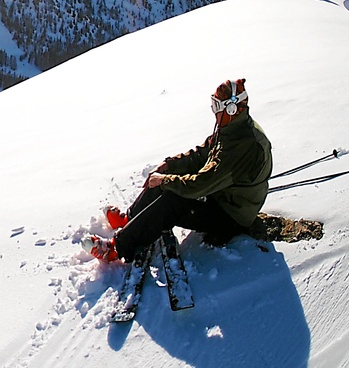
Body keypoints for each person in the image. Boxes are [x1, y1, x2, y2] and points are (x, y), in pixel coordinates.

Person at [82, 78, 273, 263]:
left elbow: (200, 185)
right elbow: (201, 155)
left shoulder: (241, 146)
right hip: (222, 195)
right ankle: (130, 220)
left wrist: (165, 181)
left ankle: (118, 248)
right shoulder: (232, 128)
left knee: (172, 201)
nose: (213, 112)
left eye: (217, 107)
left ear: (230, 109)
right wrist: (168, 166)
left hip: (232, 214)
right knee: (165, 181)